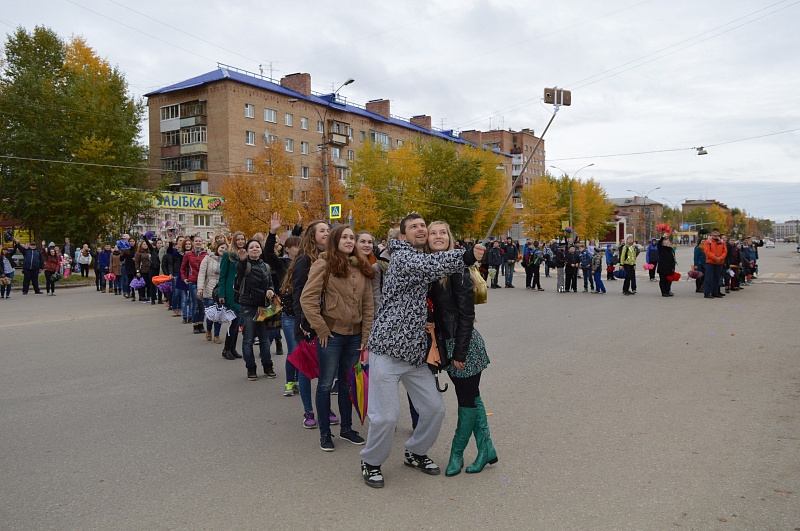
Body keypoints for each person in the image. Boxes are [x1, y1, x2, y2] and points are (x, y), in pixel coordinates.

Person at [359, 213, 485, 489]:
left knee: (434, 409)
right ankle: (370, 461)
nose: (420, 229)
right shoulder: (404, 256)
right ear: (403, 235)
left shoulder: (423, 258)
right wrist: (465, 255)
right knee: (386, 416)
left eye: (423, 227)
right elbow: (430, 264)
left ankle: (415, 452)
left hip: (415, 354)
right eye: (414, 226)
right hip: (388, 350)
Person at [425, 221, 497, 477]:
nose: (438, 236)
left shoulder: (456, 268)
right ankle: (486, 448)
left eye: (443, 232)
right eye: (433, 233)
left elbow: (467, 314)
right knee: (473, 397)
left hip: (464, 345)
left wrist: (460, 353)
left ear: (450, 237)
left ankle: (457, 454)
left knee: (466, 401)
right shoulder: (428, 266)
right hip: (449, 343)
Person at [301, 225, 375, 452]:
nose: (350, 241)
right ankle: (325, 433)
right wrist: (321, 329)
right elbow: (307, 299)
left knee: (346, 384)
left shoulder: (361, 267)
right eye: (344, 237)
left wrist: (366, 335)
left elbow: (368, 304)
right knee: (325, 384)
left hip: (354, 336)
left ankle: (346, 428)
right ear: (334, 240)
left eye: (352, 237)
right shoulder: (323, 264)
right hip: (331, 336)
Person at [291, 220, 335, 429]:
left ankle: (325, 407)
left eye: (328, 230)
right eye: (322, 231)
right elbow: (299, 294)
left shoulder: (333, 258)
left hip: (327, 321)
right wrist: (304, 323)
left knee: (326, 368)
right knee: (307, 369)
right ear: (312, 235)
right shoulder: (304, 260)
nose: (327, 233)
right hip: (306, 323)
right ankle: (308, 411)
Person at [235, 239, 276, 380]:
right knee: (248, 340)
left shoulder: (266, 266)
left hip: (263, 307)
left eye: (257, 247)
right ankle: (251, 368)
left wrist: (270, 290)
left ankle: (268, 366)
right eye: (251, 247)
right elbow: (239, 272)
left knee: (265, 340)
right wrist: (241, 260)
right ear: (247, 251)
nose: (255, 249)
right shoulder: (244, 265)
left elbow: (270, 283)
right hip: (248, 306)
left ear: (261, 249)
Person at [218, 231, 246, 359]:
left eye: (242, 239)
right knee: (235, 321)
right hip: (230, 292)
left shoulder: (246, 255)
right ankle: (226, 349)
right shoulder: (227, 255)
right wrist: (221, 294)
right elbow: (222, 276)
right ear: (234, 240)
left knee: (238, 321)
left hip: (242, 292)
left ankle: (233, 348)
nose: (240, 241)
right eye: (238, 239)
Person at [197, 242, 227, 343]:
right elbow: (201, 274)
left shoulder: (228, 260)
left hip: (222, 288)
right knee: (211, 313)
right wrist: (200, 288)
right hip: (209, 287)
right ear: (217, 248)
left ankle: (217, 335)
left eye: (225, 248)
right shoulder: (208, 258)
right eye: (222, 247)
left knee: (219, 312)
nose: (223, 250)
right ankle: (209, 330)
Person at [181, 236, 208, 334]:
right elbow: (183, 268)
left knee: (202, 304)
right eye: (196, 241)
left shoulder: (206, 254)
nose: (198, 243)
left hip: (204, 282)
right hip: (193, 281)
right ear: (193, 243)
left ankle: (201, 323)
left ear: (202, 242)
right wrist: (184, 278)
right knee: (195, 303)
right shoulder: (188, 254)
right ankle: (195, 324)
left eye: (199, 241)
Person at [703, 228, 727, 299]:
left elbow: (725, 251)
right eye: (714, 232)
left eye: (717, 232)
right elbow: (707, 251)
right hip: (710, 263)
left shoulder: (722, 242)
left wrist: (720, 258)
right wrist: (715, 258)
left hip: (719, 262)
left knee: (717, 278)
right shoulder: (708, 242)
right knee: (708, 278)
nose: (715, 234)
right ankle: (707, 293)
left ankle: (715, 292)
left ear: (719, 234)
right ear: (712, 234)